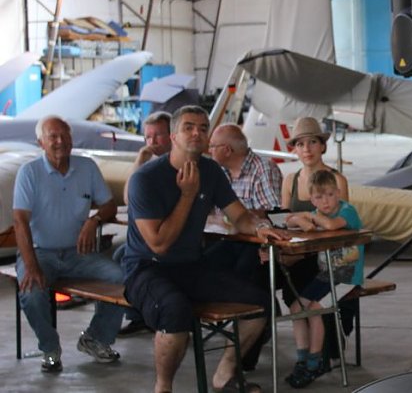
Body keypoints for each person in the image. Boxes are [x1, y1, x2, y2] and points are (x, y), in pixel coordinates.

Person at [123, 105, 287, 393]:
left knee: (262, 304)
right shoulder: (145, 179)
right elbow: (159, 244)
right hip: (147, 267)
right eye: (188, 127)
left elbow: (239, 215)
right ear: (173, 135)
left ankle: (224, 374)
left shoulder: (211, 170)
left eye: (202, 127)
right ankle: (163, 387)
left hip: (190, 265)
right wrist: (187, 195)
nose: (196, 133)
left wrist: (260, 227)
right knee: (176, 313)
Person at [13, 115, 124, 373]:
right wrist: (31, 266)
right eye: (53, 136)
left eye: (65, 135)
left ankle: (95, 338)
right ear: (41, 142)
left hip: (77, 254)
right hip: (40, 253)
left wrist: (93, 221)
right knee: (31, 293)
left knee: (121, 277)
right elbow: (20, 221)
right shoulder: (29, 173)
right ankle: (50, 348)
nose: (60, 141)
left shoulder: (87, 168)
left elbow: (109, 205)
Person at [207, 122, 283, 370]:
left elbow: (270, 212)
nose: (209, 151)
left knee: (246, 276)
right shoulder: (220, 173)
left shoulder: (263, 168)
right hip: (229, 240)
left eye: (213, 147)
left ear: (226, 150)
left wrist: (233, 216)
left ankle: (245, 351)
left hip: (260, 243)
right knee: (201, 264)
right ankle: (248, 323)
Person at [279, 117, 352, 364]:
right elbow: (283, 220)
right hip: (300, 254)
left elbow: (345, 225)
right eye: (300, 144)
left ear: (322, 146)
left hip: (328, 256)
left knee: (308, 288)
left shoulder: (336, 180)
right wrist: (296, 222)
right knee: (281, 279)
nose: (306, 149)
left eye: (312, 142)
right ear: (295, 149)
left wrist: (307, 220)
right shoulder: (290, 180)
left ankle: (317, 353)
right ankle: (308, 353)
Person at [283, 169, 363, 388]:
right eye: (319, 197)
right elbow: (288, 221)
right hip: (325, 275)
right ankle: (302, 358)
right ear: (311, 198)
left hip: (347, 277)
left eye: (329, 194)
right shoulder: (316, 212)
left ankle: (315, 361)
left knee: (316, 309)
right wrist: (301, 217)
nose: (325, 201)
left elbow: (330, 225)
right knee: (296, 308)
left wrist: (310, 216)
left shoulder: (347, 211)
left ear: (338, 193)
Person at [117, 110, 173, 336]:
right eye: (148, 137)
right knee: (121, 256)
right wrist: (139, 161)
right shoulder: (147, 167)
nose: (152, 142)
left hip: (167, 236)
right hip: (146, 236)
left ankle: (148, 311)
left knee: (127, 258)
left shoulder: (176, 165)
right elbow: (127, 198)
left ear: (171, 136)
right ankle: (139, 314)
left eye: (158, 136)